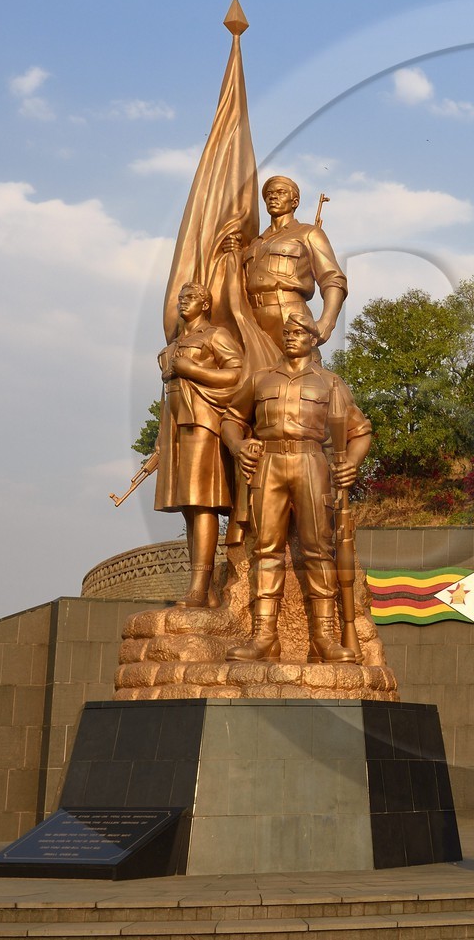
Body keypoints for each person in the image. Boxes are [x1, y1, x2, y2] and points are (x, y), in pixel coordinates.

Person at [222, 310, 370, 663]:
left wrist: (351, 463)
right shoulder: (260, 379)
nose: (291, 336)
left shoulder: (331, 384)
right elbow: (231, 418)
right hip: (268, 465)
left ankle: (323, 638)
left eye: (299, 331)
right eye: (287, 331)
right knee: (266, 551)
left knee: (318, 551)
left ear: (313, 338)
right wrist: (239, 446)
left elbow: (360, 432)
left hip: (311, 463)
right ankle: (264, 638)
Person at [154, 282, 243, 608]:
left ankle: (198, 586)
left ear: (205, 304)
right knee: (190, 507)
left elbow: (237, 374)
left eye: (190, 299)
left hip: (204, 423)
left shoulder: (215, 335)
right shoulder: (177, 343)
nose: (183, 304)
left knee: (202, 502)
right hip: (177, 428)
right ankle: (201, 588)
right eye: (181, 299)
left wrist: (194, 369)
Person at [226, 175, 347, 354]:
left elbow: (333, 279)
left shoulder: (308, 233)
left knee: (301, 375)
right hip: (252, 317)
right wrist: (234, 254)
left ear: (295, 202)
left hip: (289, 312)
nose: (273, 197)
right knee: (255, 377)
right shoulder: (254, 243)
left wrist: (326, 322)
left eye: (280, 193)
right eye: (269, 194)